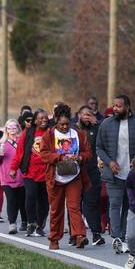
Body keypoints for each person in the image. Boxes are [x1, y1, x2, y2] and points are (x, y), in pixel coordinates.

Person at [95, 94, 135, 251]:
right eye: (114, 105)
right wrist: (110, 162)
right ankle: (116, 237)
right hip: (113, 173)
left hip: (134, 175)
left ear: (127, 107)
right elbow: (99, 147)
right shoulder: (106, 124)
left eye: (119, 106)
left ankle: (122, 236)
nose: (115, 108)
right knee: (115, 204)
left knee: (128, 206)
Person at [40, 104, 90, 250]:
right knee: (56, 209)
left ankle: (80, 236)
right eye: (61, 124)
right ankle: (54, 239)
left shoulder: (78, 134)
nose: (64, 127)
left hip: (74, 176)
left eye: (67, 124)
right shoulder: (49, 135)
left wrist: (79, 157)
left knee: (74, 207)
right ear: (56, 120)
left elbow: (88, 153)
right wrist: (60, 157)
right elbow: (43, 154)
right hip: (55, 178)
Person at [15, 109, 51, 237]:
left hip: (47, 172)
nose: (44, 120)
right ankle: (31, 223)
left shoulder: (51, 132)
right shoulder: (29, 132)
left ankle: (40, 225)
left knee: (44, 200)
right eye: (41, 118)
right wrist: (14, 168)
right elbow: (20, 151)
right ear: (35, 120)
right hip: (30, 171)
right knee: (30, 196)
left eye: (46, 117)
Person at [77, 105, 106, 245]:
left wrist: (98, 124)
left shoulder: (97, 128)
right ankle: (75, 235)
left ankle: (96, 234)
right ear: (79, 116)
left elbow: (106, 138)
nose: (87, 117)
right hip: (75, 172)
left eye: (90, 114)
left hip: (92, 171)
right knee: (75, 204)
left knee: (92, 203)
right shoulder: (73, 130)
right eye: (85, 114)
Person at [0, 119, 26, 235]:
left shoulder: (23, 141)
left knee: (22, 202)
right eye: (9, 128)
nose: (12, 130)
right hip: (6, 178)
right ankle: (12, 223)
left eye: (14, 127)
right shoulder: (2, 143)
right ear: (6, 130)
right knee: (11, 200)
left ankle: (25, 222)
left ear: (18, 128)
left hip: (22, 177)